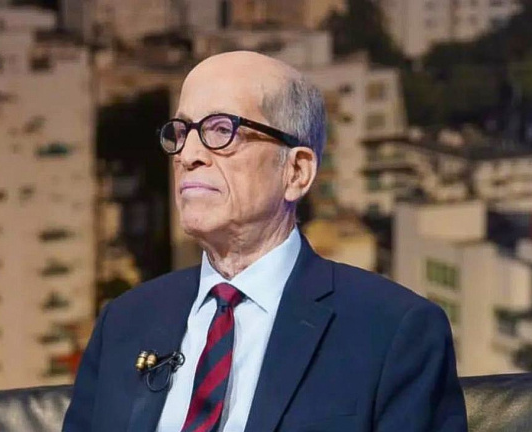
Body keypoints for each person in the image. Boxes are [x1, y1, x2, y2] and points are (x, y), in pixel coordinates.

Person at [62, 51, 467, 432]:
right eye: (181, 133)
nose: (188, 154)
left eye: (221, 130)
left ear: (296, 171)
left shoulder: (394, 330)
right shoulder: (125, 321)